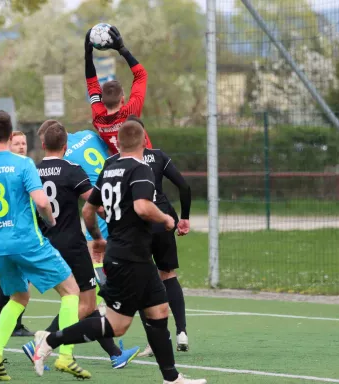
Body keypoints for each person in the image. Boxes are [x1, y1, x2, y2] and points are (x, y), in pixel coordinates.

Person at [32, 121, 207, 384]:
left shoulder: (110, 168)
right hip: (128, 258)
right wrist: (167, 220)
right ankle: (50, 340)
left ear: (119, 144)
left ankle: (171, 378)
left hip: (134, 255)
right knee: (117, 325)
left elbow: (88, 211)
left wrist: (99, 238)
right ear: (143, 141)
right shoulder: (141, 169)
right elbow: (142, 207)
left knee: (159, 311)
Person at [0, 110, 83, 380]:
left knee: (18, 297)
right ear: (9, 133)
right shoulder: (24, 164)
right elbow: (41, 202)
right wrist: (50, 221)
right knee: (71, 290)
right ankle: (65, 356)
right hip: (28, 242)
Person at [21, 122, 139, 372]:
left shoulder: (32, 171)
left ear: (42, 145)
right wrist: (118, 218)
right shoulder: (73, 170)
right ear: (66, 146)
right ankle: (43, 343)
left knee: (81, 300)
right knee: (84, 303)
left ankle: (115, 354)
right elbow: (94, 203)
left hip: (46, 246)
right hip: (72, 246)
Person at [106, 115, 191, 356]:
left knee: (145, 280)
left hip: (137, 227)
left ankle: (154, 342)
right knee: (168, 275)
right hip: (162, 222)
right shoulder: (159, 156)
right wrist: (184, 217)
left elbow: (101, 203)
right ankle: (182, 331)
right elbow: (184, 186)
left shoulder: (113, 162)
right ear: (144, 137)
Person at [36, 121, 109, 291]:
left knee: (94, 255)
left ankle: (102, 301)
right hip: (117, 189)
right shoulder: (88, 134)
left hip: (100, 205)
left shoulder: (65, 162)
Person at [0, 130, 34, 337]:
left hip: (14, 231)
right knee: (19, 278)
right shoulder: (15, 170)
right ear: (8, 146)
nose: (21, 146)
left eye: (24, 143)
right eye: (16, 144)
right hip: (14, 231)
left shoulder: (26, 166)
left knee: (14, 277)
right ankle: (10, 323)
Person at [84, 25, 152, 154]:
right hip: (145, 165)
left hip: (120, 167)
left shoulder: (98, 118)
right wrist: (122, 50)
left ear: (102, 100)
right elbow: (141, 75)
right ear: (122, 99)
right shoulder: (130, 113)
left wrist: (88, 56)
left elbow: (92, 84)